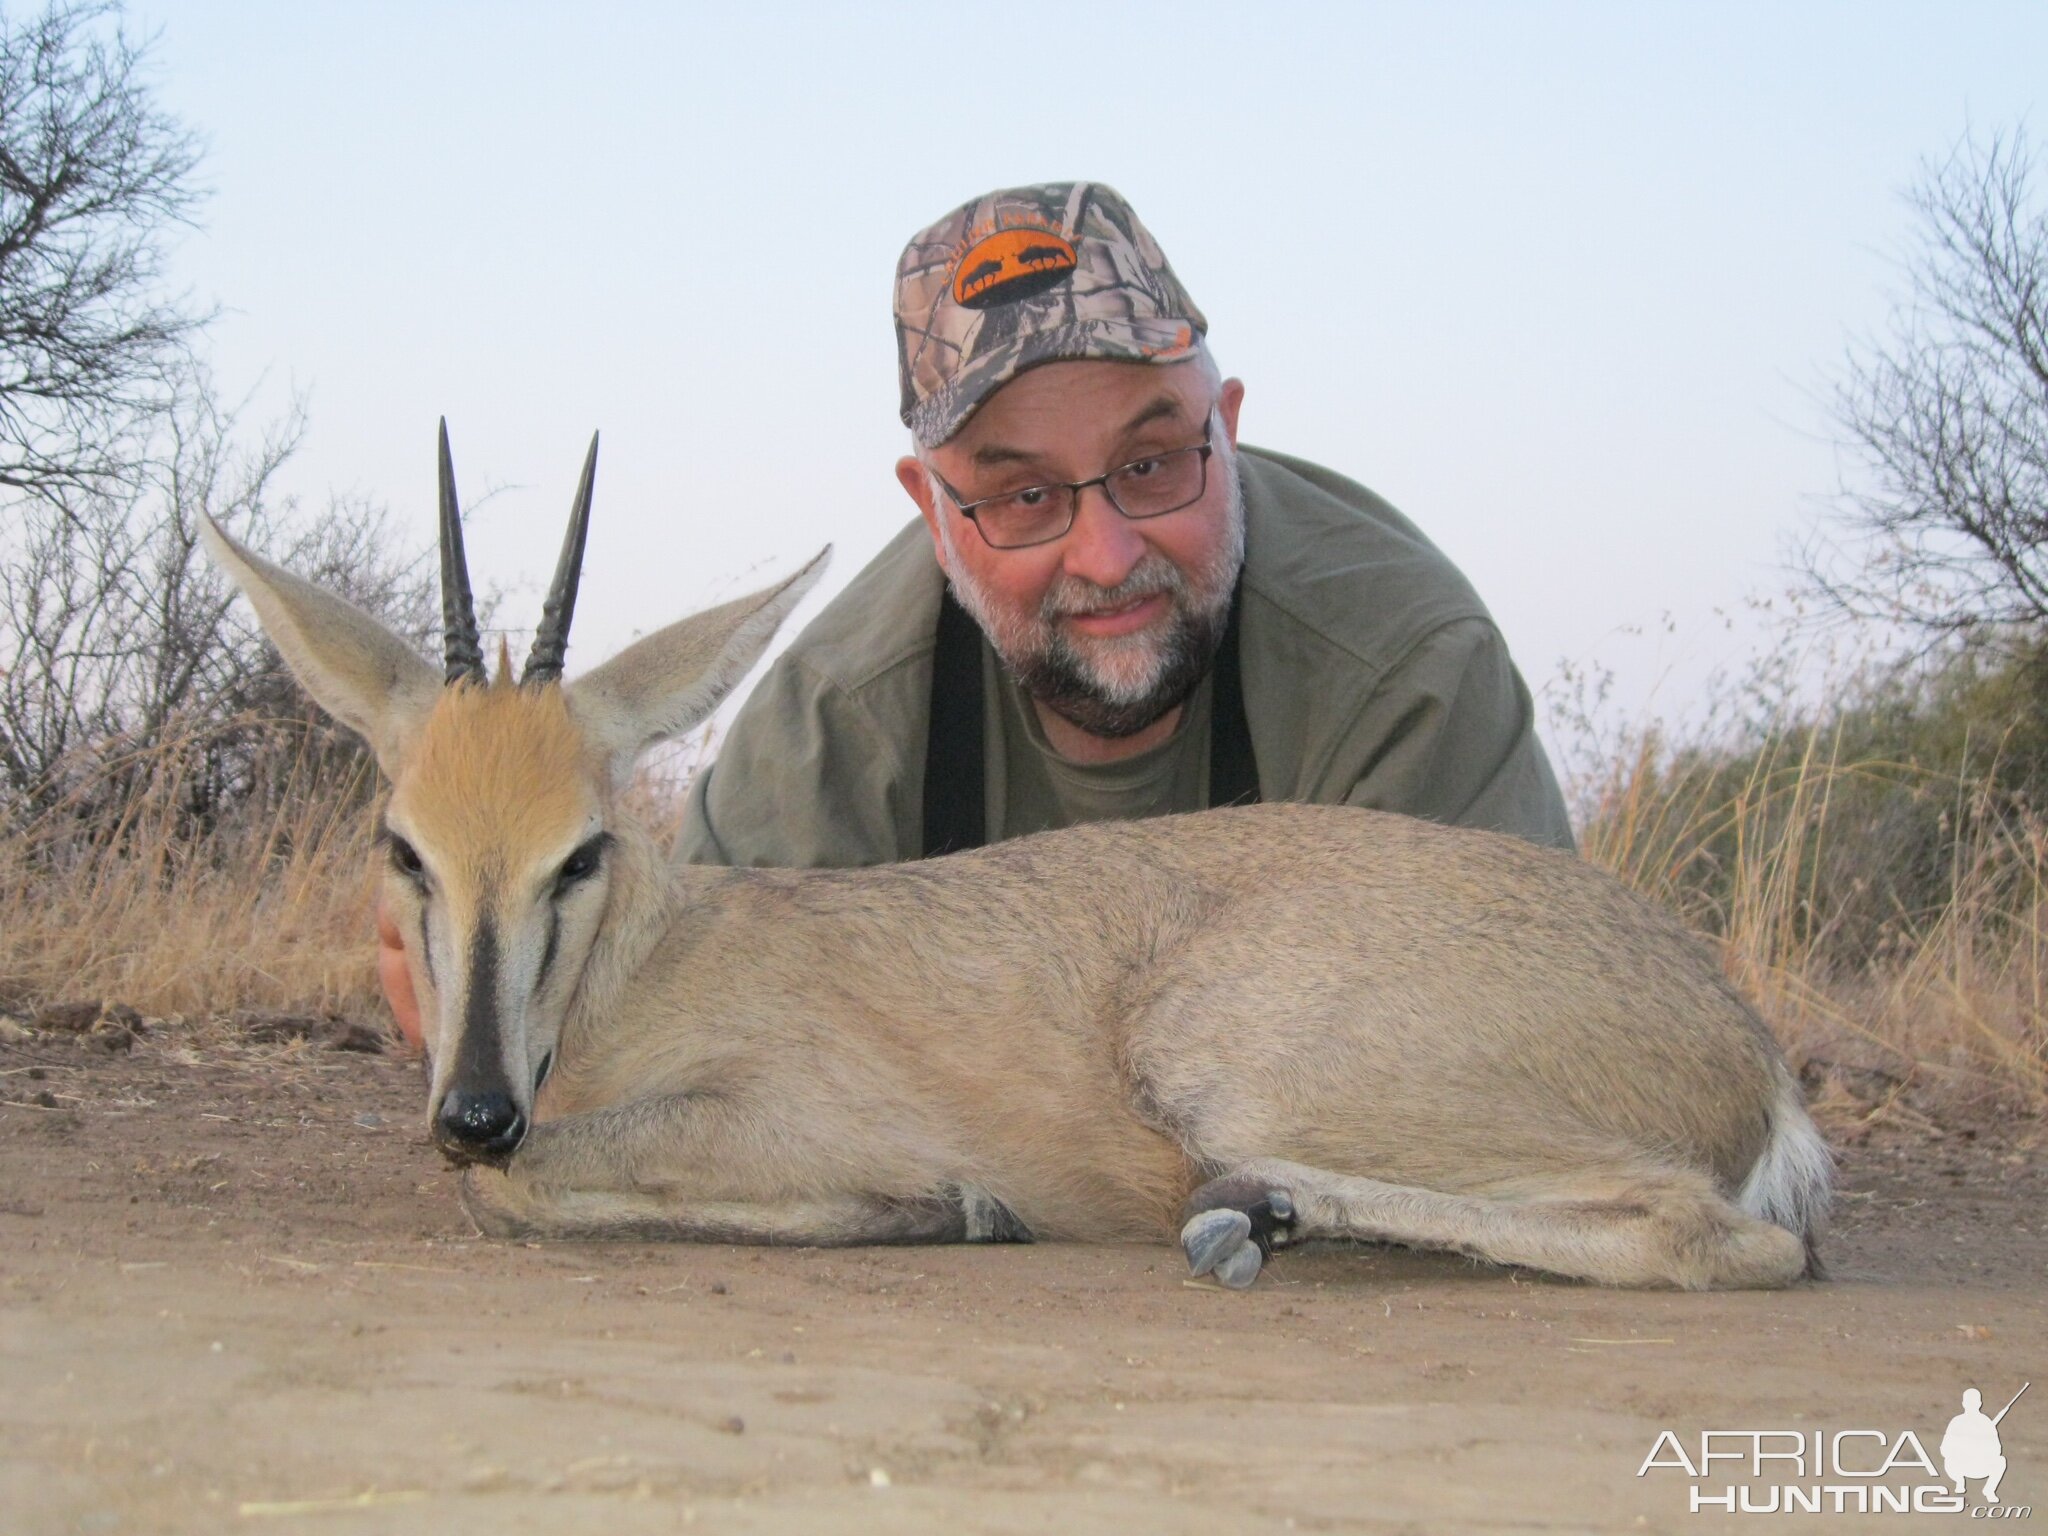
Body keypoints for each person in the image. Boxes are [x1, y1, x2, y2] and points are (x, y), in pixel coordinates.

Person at [377, 181, 1572, 1044]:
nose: (1104, 555)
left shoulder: (1402, 666)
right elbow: (679, 1037)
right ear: (930, 511)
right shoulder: (834, 721)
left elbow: (1527, 1027)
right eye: (1019, 496)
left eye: (1155, 464)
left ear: (1230, 430)